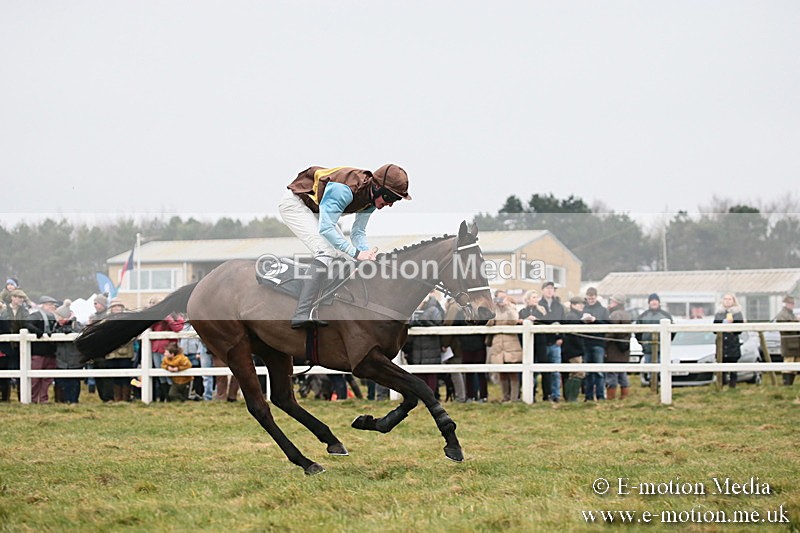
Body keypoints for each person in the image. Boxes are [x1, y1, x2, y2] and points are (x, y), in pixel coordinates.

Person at [278, 164, 411, 328]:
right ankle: (301, 312)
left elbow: (358, 232)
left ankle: (327, 305)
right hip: (295, 204)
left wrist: (365, 254)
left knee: (348, 257)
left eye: (396, 200)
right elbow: (326, 228)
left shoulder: (371, 199)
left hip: (316, 209)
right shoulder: (344, 190)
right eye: (390, 198)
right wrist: (356, 253)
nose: (390, 204)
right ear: (378, 188)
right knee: (326, 252)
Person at [404, 291, 444, 395]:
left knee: (430, 374)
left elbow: (439, 325)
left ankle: (431, 395)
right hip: (417, 347)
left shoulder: (434, 309)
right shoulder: (414, 311)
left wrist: (425, 322)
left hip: (431, 347)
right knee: (419, 374)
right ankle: (421, 395)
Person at [486, 290, 522, 402]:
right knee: (502, 372)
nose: (501, 300)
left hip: (511, 343)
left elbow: (513, 321)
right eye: (499, 297)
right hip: (498, 344)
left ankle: (514, 398)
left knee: (512, 371)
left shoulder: (512, 308)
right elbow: (489, 323)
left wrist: (507, 306)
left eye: (503, 297)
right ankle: (505, 397)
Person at [148, 296, 185, 402]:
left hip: (169, 350)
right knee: (160, 374)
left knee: (169, 372)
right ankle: (164, 397)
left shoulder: (174, 315)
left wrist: (168, 318)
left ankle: (171, 397)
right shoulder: (153, 317)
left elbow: (178, 328)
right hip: (155, 349)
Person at [26, 296, 60, 403]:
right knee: (35, 378)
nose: (52, 307)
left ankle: (43, 398)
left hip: (51, 352)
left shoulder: (54, 317)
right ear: (43, 305)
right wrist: (38, 332)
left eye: (53, 305)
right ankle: (34, 398)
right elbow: (27, 324)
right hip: (38, 352)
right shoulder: (36, 315)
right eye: (49, 304)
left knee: (48, 378)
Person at [52, 300, 84, 404]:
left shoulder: (76, 324)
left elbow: (82, 334)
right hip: (61, 359)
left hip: (74, 359)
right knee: (63, 382)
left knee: (74, 382)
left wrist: (70, 331)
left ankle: (74, 401)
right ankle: (65, 401)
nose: (58, 319)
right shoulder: (56, 326)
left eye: (60, 317)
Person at [518, 289, 547, 401]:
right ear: (527, 299)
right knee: (528, 368)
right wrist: (526, 320)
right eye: (533, 297)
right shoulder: (522, 312)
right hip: (528, 343)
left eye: (536, 297)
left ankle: (547, 394)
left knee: (544, 368)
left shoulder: (542, 310)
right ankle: (531, 394)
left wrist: (537, 320)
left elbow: (546, 323)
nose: (536, 299)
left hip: (540, 342)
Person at [539, 281, 566, 402]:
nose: (550, 290)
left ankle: (556, 395)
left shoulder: (559, 306)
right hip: (543, 342)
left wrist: (561, 337)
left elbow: (563, 321)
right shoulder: (539, 305)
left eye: (552, 288)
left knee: (556, 371)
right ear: (543, 290)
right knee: (544, 371)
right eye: (547, 288)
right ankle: (546, 394)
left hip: (555, 342)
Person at [581, 287, 608, 401]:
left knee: (599, 372)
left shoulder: (603, 310)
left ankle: (600, 395)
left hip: (598, 342)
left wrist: (595, 320)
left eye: (593, 297)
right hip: (585, 343)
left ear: (596, 297)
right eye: (589, 297)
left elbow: (607, 325)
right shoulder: (583, 309)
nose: (591, 300)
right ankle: (588, 396)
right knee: (588, 372)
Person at [105, 298, 134, 401]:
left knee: (125, 376)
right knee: (114, 377)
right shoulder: (106, 320)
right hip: (111, 353)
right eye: (114, 306)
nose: (116, 308)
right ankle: (117, 398)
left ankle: (125, 398)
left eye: (118, 306)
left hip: (125, 352)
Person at [713, 293, 745, 389]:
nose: (727, 301)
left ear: (733, 301)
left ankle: (732, 386)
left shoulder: (737, 314)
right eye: (725, 299)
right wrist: (722, 324)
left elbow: (739, 330)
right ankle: (721, 385)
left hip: (732, 343)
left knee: (733, 366)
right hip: (721, 343)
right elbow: (714, 330)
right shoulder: (718, 313)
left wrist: (732, 325)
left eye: (729, 299)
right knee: (721, 365)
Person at [440, 298, 467, 402]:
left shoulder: (453, 308)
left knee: (455, 371)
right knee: (458, 371)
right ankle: (461, 395)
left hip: (454, 345)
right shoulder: (461, 307)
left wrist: (444, 344)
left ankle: (460, 396)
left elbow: (448, 325)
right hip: (460, 343)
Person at [87, 294, 114, 401]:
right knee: (97, 374)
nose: (95, 305)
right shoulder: (93, 317)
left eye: (97, 303)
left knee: (106, 374)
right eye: (94, 303)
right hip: (95, 350)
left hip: (105, 350)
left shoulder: (108, 316)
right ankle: (102, 397)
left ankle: (108, 397)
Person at [605, 294, 632, 400]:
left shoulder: (615, 315)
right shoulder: (626, 314)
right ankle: (625, 396)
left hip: (614, 349)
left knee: (612, 374)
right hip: (624, 350)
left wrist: (604, 341)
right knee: (622, 374)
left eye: (612, 301)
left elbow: (611, 332)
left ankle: (611, 397)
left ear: (616, 302)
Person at [636, 293, 673, 366]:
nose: (654, 302)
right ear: (649, 303)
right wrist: (643, 343)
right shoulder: (643, 316)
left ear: (659, 302)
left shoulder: (666, 316)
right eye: (652, 300)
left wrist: (667, 341)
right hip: (647, 350)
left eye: (656, 300)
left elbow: (672, 331)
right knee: (649, 369)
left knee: (662, 369)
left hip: (662, 350)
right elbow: (637, 331)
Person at [561, 296, 587, 402]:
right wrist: (582, 347)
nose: (581, 306)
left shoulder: (572, 315)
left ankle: (570, 397)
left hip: (571, 349)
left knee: (573, 373)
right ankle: (571, 397)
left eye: (582, 304)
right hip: (574, 350)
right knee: (578, 373)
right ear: (573, 305)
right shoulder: (574, 317)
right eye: (579, 304)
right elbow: (575, 336)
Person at [775, 295, 799, 386]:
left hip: (795, 342)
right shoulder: (782, 315)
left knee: (795, 363)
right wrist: (796, 322)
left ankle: (790, 384)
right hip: (788, 342)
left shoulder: (791, 314)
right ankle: (787, 383)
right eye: (790, 303)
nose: (792, 305)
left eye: (792, 303)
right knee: (788, 362)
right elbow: (785, 328)